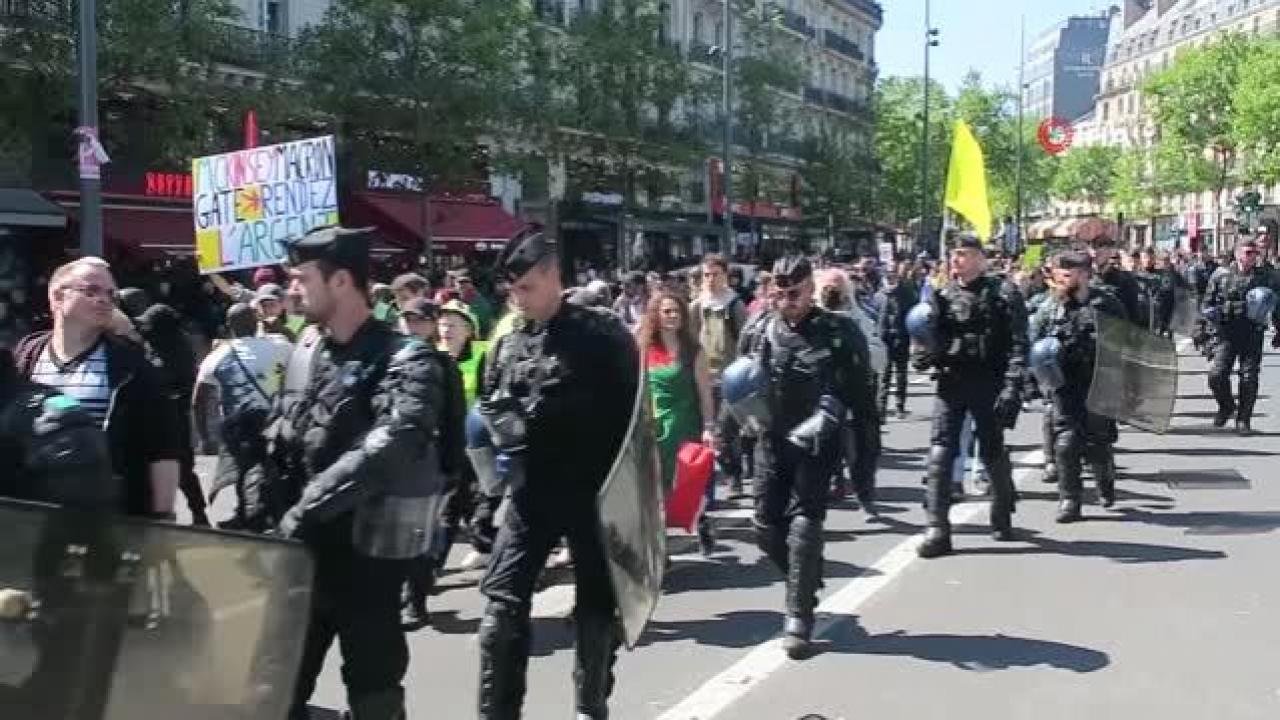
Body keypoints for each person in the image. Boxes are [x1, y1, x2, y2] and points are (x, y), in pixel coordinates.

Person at [255, 226, 458, 720]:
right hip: (301, 556)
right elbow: (280, 433)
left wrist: (307, 509)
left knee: (373, 693)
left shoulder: (406, 358)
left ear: (342, 281)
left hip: (367, 559)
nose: (292, 290)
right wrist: (257, 499)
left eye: (303, 278)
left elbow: (394, 441)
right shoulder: (307, 350)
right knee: (271, 689)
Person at [475, 232, 639, 720]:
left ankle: (590, 705)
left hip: (593, 492)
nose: (517, 298)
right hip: (532, 493)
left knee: (595, 606)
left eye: (526, 287)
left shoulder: (603, 336)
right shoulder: (507, 344)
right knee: (500, 610)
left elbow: (635, 425)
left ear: (552, 275)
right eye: (512, 289)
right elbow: (488, 413)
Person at [733, 256, 876, 658]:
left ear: (810, 289)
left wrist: (864, 460)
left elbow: (863, 398)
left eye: (794, 293)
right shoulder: (758, 330)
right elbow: (738, 385)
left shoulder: (839, 331)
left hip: (817, 441)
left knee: (804, 523)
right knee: (765, 526)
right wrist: (733, 432)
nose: (786, 301)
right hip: (771, 437)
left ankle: (798, 614)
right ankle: (805, 576)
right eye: (779, 293)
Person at [14, 257, 182, 520]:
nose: (104, 300)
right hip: (31, 514)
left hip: (108, 515)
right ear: (57, 296)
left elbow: (163, 448)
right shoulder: (24, 357)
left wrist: (162, 518)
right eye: (91, 291)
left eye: (110, 294)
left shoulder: (131, 366)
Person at [911, 235, 1027, 558]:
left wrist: (1013, 385)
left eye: (963, 254)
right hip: (952, 381)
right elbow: (927, 339)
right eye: (953, 254)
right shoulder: (942, 296)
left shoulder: (1003, 294)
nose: (956, 260)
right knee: (940, 451)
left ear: (979, 258)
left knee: (991, 448)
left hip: (989, 381)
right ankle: (937, 527)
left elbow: (1019, 343)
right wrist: (923, 353)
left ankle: (1002, 509)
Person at [1031, 251, 1129, 522]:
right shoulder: (1050, 307)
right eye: (1059, 274)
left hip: (1100, 381)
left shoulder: (1107, 304)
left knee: (1098, 442)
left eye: (1068, 274)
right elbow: (1035, 342)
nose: (1061, 279)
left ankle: (1105, 480)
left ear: (1085, 275)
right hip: (1065, 383)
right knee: (1066, 442)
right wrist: (1034, 379)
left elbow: (1126, 343)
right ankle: (1070, 500)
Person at [191, 303, 292, 529]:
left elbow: (198, 399)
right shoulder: (281, 346)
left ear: (228, 326)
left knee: (244, 469)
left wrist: (204, 437)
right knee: (272, 468)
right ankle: (255, 514)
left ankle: (252, 517)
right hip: (274, 419)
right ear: (256, 323)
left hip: (238, 425)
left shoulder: (217, 356)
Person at [636, 291, 717, 552]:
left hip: (686, 425)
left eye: (677, 311)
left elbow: (705, 393)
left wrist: (709, 427)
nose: (673, 316)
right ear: (656, 316)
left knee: (686, 484)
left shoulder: (694, 351)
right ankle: (659, 548)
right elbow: (640, 392)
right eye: (667, 311)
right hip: (655, 427)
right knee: (655, 489)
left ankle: (701, 519)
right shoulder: (645, 350)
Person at [1202, 238, 1280, 434]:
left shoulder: (1266, 277)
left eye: (1254, 253)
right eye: (1247, 253)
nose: (1252, 257)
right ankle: (1227, 405)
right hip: (1226, 332)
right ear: (1237, 254)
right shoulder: (1221, 275)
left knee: (1249, 377)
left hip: (1252, 331)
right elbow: (1207, 304)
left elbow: (1276, 304)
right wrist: (1203, 332)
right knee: (1217, 375)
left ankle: (1244, 419)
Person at [689, 254, 750, 497]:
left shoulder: (735, 305)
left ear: (725, 275)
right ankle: (711, 480)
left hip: (730, 378)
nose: (711, 279)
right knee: (707, 429)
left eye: (715, 274)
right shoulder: (697, 306)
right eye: (706, 275)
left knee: (725, 430)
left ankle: (734, 475)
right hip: (705, 377)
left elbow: (746, 341)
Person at [875, 261, 918, 418]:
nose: (891, 275)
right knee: (884, 375)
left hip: (901, 336)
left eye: (893, 272)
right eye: (888, 273)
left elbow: (913, 315)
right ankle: (881, 409)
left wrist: (914, 338)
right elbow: (875, 315)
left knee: (901, 374)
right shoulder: (879, 295)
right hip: (884, 338)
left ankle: (900, 406)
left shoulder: (906, 292)